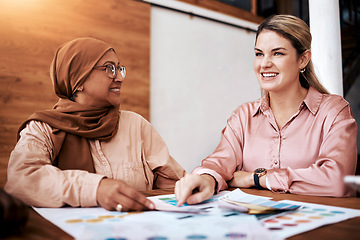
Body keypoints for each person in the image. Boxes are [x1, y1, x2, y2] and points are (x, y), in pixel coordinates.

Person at [175, 14, 357, 206]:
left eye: (277, 53)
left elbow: (337, 181)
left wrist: (257, 178)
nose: (264, 63)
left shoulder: (334, 111)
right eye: (259, 53)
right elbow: (218, 164)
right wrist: (206, 178)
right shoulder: (243, 116)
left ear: (303, 59)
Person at [5, 37, 186, 212]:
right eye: (109, 69)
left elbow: (174, 186)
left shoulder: (136, 125)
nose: (120, 78)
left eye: (119, 69)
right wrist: (95, 189)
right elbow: (21, 180)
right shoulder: (43, 128)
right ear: (78, 79)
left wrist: (202, 181)